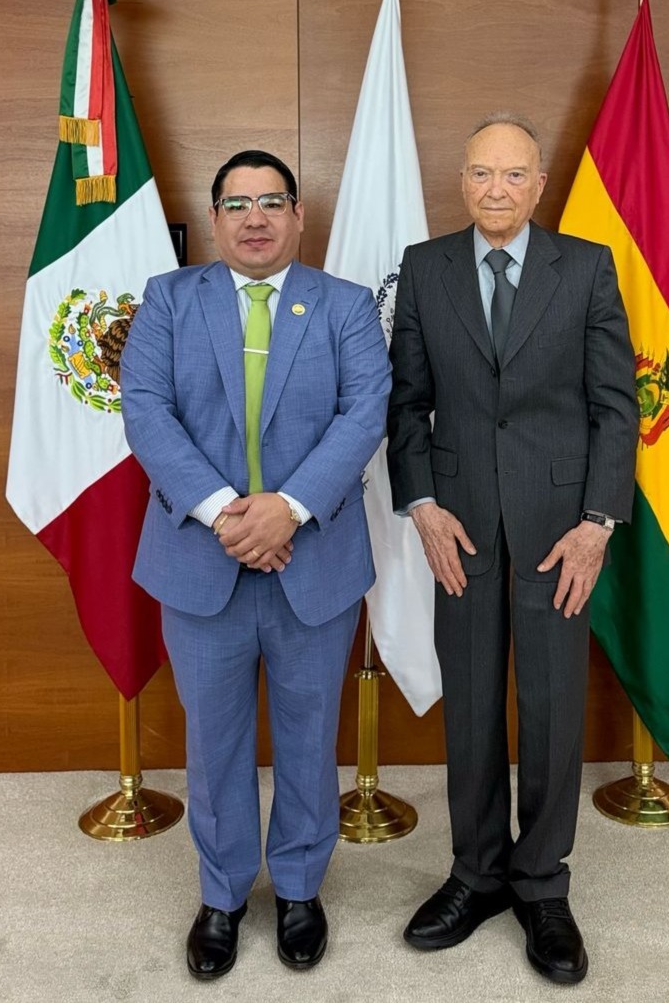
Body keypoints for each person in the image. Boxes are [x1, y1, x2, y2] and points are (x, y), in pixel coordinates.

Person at [120, 150, 390, 979]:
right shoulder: (168, 300)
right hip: (202, 561)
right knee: (217, 739)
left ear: (299, 216)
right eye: (237, 204)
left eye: (273, 201)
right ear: (215, 221)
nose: (256, 217)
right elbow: (148, 412)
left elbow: (364, 411)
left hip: (313, 558)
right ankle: (224, 893)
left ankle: (302, 887)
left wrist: (288, 509)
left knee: (310, 738)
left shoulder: (344, 306)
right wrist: (226, 514)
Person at [386, 114, 638, 985]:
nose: (497, 188)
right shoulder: (425, 269)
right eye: (481, 172)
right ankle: (477, 873)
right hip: (458, 528)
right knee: (472, 710)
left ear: (539, 185)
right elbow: (406, 403)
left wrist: (598, 522)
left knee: (553, 708)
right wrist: (420, 504)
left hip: (559, 530)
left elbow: (616, 407)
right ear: (462, 181)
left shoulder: (588, 267)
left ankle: (543, 884)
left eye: (514, 174)